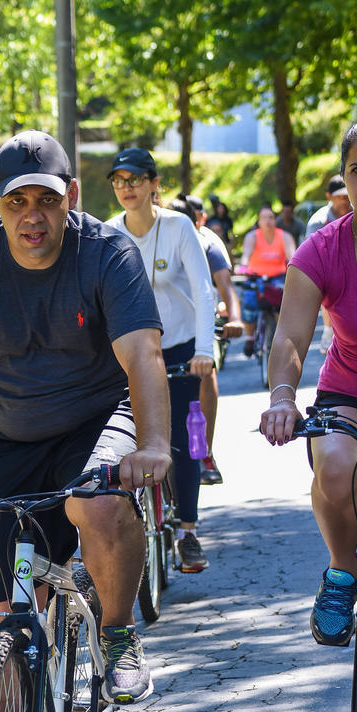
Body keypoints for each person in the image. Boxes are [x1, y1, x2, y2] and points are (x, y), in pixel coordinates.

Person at [0, 130, 172, 705]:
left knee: (97, 501)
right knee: (3, 608)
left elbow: (143, 356)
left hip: (98, 419)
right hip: (5, 434)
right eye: (17, 201)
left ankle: (118, 633)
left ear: (72, 196)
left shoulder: (108, 253)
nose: (33, 216)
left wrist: (154, 445)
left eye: (48, 200)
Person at [260, 119, 357, 648]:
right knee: (337, 465)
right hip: (350, 393)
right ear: (345, 179)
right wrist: (282, 397)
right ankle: (343, 571)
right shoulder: (321, 250)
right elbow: (290, 341)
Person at [106, 149, 214, 573]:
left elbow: (204, 291)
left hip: (182, 350)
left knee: (185, 444)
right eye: (118, 180)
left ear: (155, 184)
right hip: (131, 352)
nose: (126, 187)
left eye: (135, 179)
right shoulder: (109, 233)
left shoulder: (178, 226)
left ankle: (187, 529)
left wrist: (205, 351)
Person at [185, 195, 244, 484]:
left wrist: (234, 318)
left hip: (202, 323)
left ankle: (205, 451)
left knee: (206, 372)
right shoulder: (152, 237)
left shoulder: (208, 243)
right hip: (162, 326)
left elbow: (226, 286)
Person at [240, 205, 296, 357]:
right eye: (264, 217)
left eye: (271, 217)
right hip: (256, 276)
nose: (268, 221)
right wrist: (243, 268)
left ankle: (282, 338)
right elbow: (246, 255)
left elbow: (293, 257)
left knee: (281, 306)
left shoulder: (284, 237)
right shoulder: (252, 237)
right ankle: (250, 338)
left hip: (277, 277)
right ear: (258, 221)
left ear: (275, 220)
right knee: (250, 305)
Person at [306, 175, 352, 354]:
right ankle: (328, 331)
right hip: (328, 268)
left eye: (347, 195)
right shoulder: (318, 221)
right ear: (329, 197)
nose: (345, 200)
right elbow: (310, 255)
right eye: (340, 196)